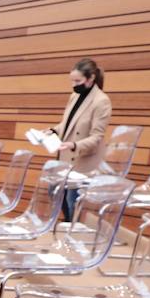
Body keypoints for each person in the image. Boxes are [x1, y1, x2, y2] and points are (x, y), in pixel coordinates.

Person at [45, 57, 111, 221]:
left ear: (91, 78)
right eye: (72, 81)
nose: (74, 85)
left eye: (78, 80)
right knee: (54, 192)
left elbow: (97, 137)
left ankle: (71, 232)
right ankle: (68, 225)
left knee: (72, 202)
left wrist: (74, 144)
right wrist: (53, 130)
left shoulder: (101, 101)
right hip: (66, 157)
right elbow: (68, 124)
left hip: (83, 159)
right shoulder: (74, 96)